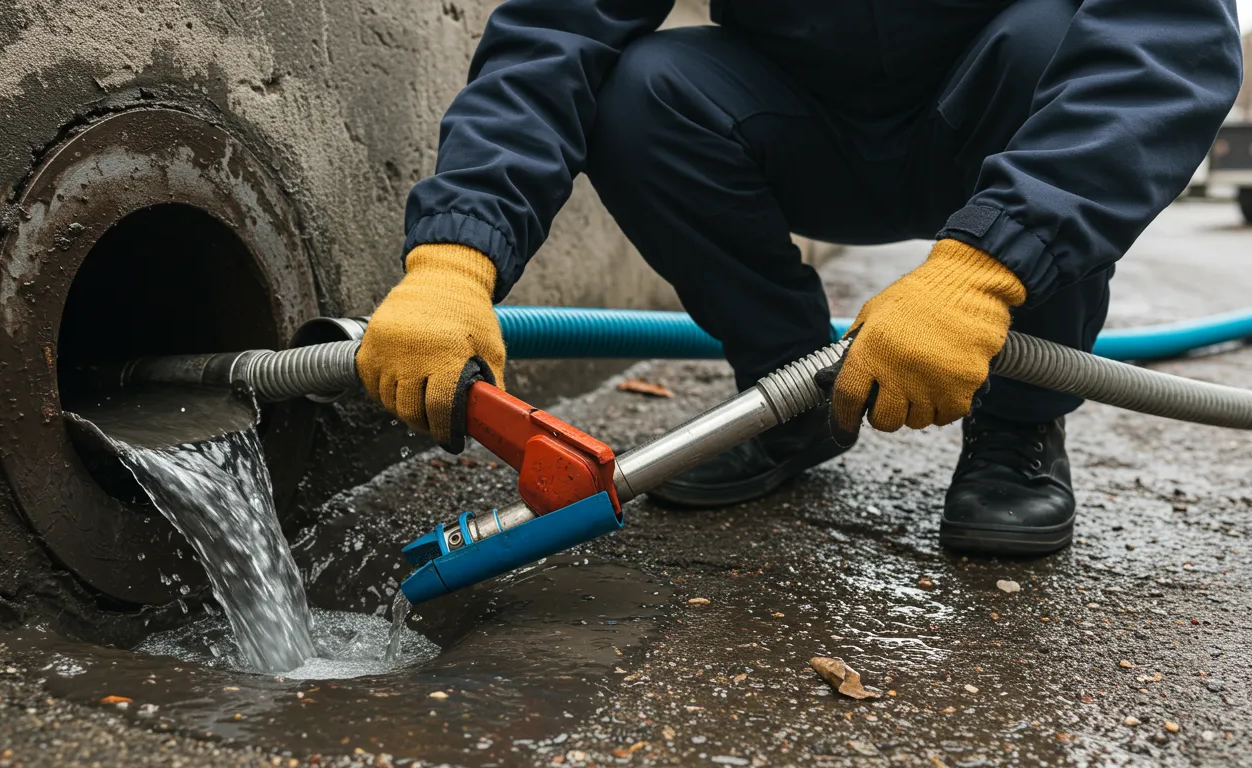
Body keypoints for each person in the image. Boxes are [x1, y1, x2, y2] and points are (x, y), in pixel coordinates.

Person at [354, 0, 1243, 555]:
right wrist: (453, 256)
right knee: (641, 84)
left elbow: (1166, 40)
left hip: (990, 124)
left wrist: (982, 269)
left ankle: (1019, 430)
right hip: (799, 130)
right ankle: (791, 401)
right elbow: (556, 33)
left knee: (1057, 37)